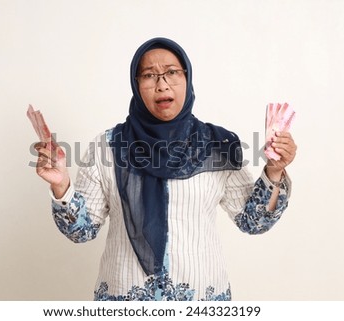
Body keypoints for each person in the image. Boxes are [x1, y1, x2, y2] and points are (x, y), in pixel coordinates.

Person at [33, 37, 297, 301]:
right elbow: (81, 231)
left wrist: (273, 171)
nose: (162, 84)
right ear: (136, 85)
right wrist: (61, 185)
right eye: (149, 75)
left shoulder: (218, 145)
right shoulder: (108, 146)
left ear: (187, 78)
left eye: (171, 72)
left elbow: (253, 222)